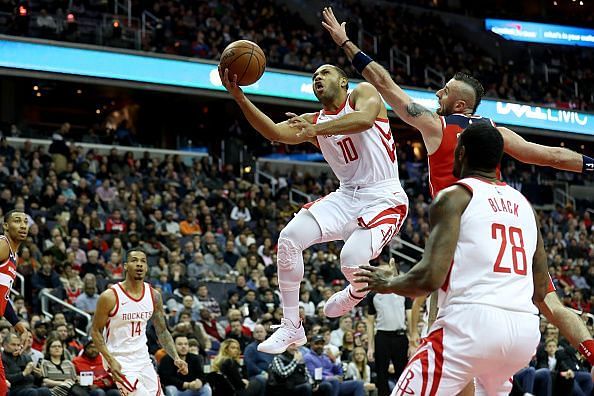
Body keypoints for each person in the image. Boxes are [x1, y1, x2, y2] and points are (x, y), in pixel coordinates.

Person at [322, 6, 594, 384]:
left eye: (444, 90)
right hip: (510, 211)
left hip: (464, 218)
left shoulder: (434, 125)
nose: (437, 92)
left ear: (459, 105)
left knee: (441, 318)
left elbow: (385, 85)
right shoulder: (494, 130)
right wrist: (592, 165)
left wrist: (347, 44)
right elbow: (550, 156)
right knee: (548, 299)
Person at [220, 58, 408, 354]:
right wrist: (240, 97)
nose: (317, 77)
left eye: (325, 73)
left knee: (350, 260)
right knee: (289, 238)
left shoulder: (362, 93)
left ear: (343, 81)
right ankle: (291, 325)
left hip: (383, 195)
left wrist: (315, 131)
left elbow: (364, 120)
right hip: (345, 196)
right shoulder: (314, 121)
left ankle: (357, 291)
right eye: (314, 75)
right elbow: (273, 132)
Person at [354, 123, 549, 395]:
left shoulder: (455, 196)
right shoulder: (525, 206)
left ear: (461, 153)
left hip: (472, 326)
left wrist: (388, 282)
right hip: (524, 333)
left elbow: (429, 278)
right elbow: (541, 290)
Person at [91, 248, 189, 395]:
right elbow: (95, 331)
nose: (139, 264)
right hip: (119, 358)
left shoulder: (154, 296)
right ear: (125, 266)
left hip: (143, 359)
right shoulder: (110, 296)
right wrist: (110, 361)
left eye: (143, 261)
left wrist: (175, 357)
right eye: (134, 260)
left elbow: (162, 331)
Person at [364, 259, 411, 396]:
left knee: (403, 374)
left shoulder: (402, 292)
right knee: (381, 375)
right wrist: (371, 347)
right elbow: (370, 322)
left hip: (401, 337)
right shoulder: (373, 295)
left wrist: (413, 340)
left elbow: (410, 317)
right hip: (382, 337)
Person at [0, 210, 31, 395]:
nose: (22, 225)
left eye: (25, 222)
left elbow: (3, 298)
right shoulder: (3, 244)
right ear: (5, 226)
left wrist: (20, 327)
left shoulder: (14, 256)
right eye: (17, 221)